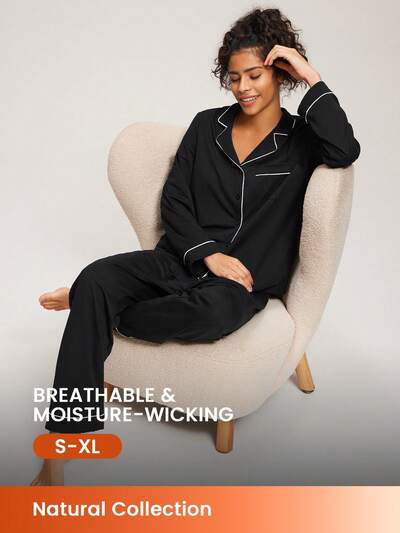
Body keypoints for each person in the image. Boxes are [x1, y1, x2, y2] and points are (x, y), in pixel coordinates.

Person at [30, 7, 360, 485]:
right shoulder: (206, 126)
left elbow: (345, 150)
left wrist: (311, 77)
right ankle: (56, 458)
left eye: (255, 75)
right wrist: (209, 253)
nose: (243, 87)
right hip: (181, 260)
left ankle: (88, 304)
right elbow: (175, 201)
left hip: (241, 284)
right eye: (234, 77)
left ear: (279, 72)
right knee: (100, 274)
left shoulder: (301, 142)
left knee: (204, 314)